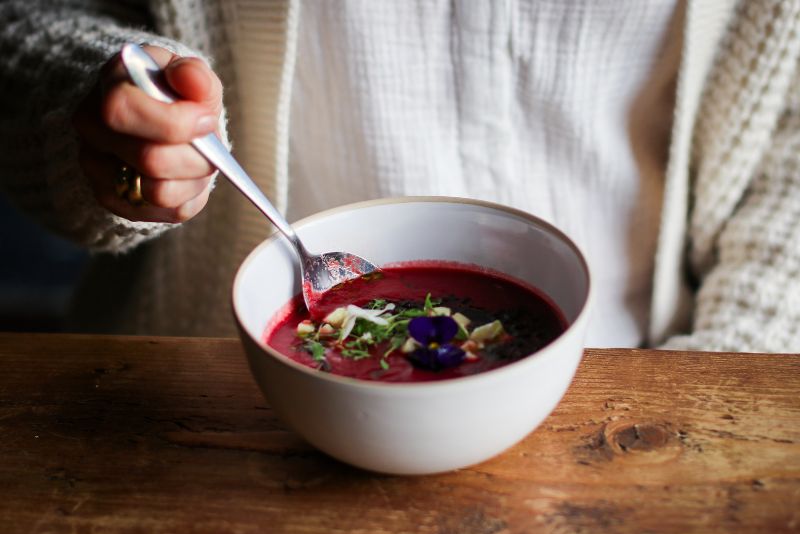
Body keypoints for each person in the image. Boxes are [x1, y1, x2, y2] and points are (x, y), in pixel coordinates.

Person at [1, 0, 798, 351]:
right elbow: (23, 24)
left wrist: (721, 378)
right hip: (207, 397)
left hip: (635, 383)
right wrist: (98, 123)